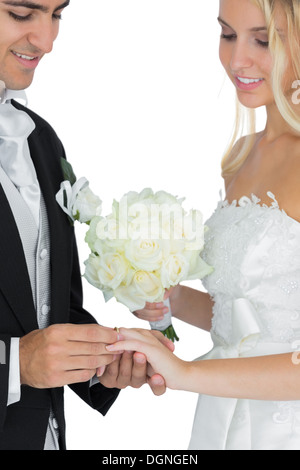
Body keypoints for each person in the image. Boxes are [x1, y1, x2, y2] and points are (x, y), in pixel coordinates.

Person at [107, 0, 300, 450]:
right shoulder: (242, 156)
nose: (236, 60)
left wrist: (187, 372)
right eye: (227, 34)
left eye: (263, 39)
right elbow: (254, 314)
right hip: (226, 421)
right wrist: (166, 297)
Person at [0, 0, 172, 450]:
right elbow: (25, 354)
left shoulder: (40, 138)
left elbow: (49, 307)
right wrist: (14, 363)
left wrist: (103, 359)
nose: (47, 41)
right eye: (21, 14)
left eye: (57, 15)